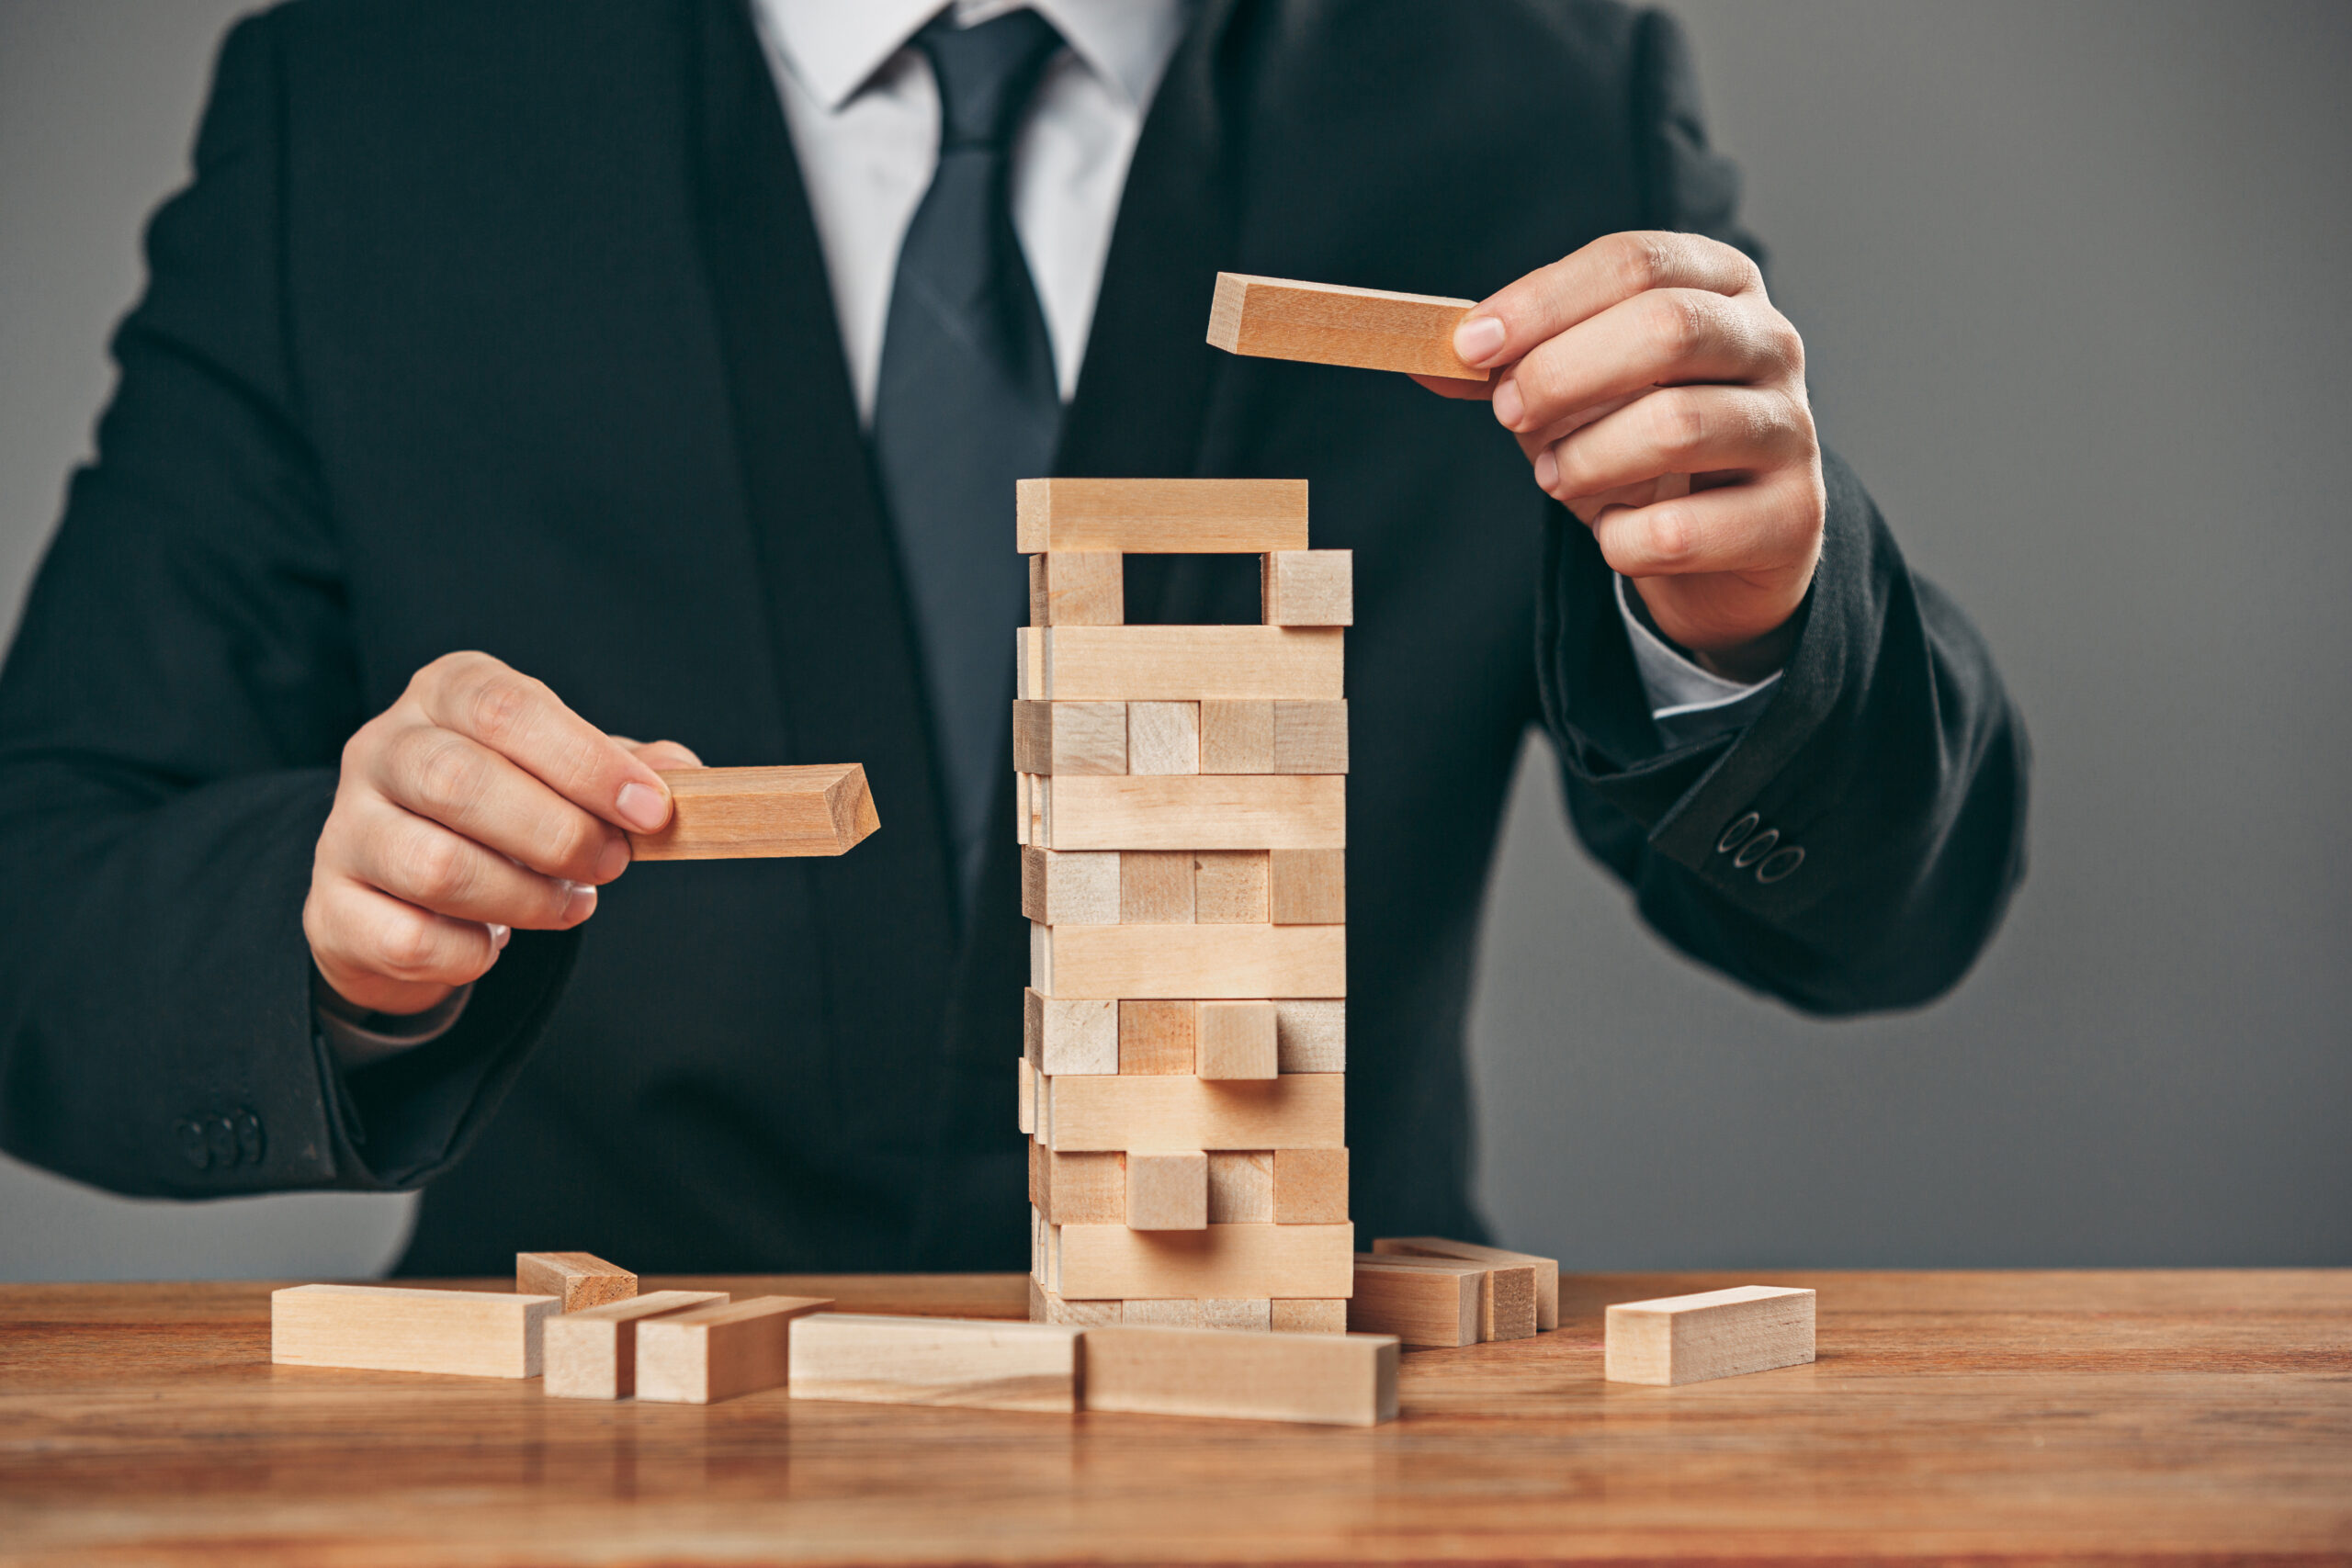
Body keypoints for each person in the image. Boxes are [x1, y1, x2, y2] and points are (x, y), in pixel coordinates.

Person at [0, 0, 2026, 1274]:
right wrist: (342, 933)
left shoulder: (1532, 86)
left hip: (1314, 1439)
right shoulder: (369, 89)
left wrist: (1752, 622)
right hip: (584, 1457)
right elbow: (44, 886)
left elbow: (1877, 920)